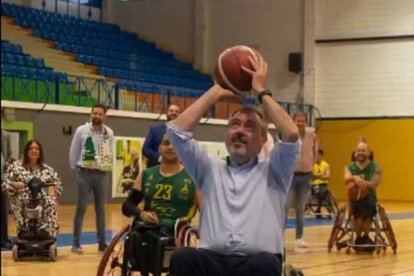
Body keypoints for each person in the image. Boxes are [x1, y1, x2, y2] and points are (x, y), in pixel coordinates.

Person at [166, 54, 300, 276]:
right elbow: (176, 131)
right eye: (235, 124)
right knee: (183, 257)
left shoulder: (274, 171)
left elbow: (292, 133)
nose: (240, 130)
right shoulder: (209, 169)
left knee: (265, 264)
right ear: (227, 135)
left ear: (262, 139)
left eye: (249, 127)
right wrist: (217, 90)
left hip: (256, 265)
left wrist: (260, 90)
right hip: (214, 262)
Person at [121, 134, 200, 275]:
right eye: (166, 143)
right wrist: (141, 214)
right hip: (147, 224)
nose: (170, 147)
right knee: (133, 237)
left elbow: (205, 210)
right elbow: (127, 206)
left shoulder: (192, 177)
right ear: (159, 148)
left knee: (157, 240)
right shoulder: (146, 175)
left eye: (175, 144)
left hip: (175, 227)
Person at [69, 104, 114, 253]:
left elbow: (110, 152)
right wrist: (76, 168)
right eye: (95, 113)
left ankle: (102, 243)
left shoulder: (109, 133)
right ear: (91, 114)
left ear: (104, 116)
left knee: (101, 209)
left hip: (101, 174)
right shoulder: (81, 130)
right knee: (81, 208)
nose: (97, 116)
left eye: (100, 114)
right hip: (84, 173)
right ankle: (75, 243)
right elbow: (74, 150)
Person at [1, 140, 62, 240]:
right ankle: (25, 230)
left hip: (41, 198)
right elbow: (5, 184)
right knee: (24, 200)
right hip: (22, 197)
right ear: (26, 151)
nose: (34, 150)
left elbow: (58, 184)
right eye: (31, 148)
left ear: (40, 152)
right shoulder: (16, 168)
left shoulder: (47, 170)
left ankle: (45, 230)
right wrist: (14, 185)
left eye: (37, 149)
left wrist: (53, 189)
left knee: (50, 201)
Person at [285, 111, 318, 249]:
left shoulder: (312, 137)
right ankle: (279, 236)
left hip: (306, 176)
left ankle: (299, 237)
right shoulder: (290, 136)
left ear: (306, 122)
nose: (300, 123)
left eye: (302, 121)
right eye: (298, 121)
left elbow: (315, 152)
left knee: (300, 207)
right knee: (285, 206)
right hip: (292, 176)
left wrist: (312, 165)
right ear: (293, 122)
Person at [344, 141, 381, 248]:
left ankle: (365, 236)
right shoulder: (349, 167)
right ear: (355, 153)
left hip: (369, 196)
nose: (360, 153)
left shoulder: (375, 167)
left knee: (368, 212)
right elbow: (346, 177)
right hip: (355, 198)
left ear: (368, 153)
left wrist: (363, 184)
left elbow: (374, 183)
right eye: (358, 150)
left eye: (363, 151)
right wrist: (355, 178)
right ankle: (359, 237)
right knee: (358, 214)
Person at [1, 108, 13, 249]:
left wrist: (9, 162)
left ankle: (3, 239)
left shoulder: (6, 135)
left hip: (2, 177)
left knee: (3, 210)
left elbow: (9, 154)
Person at [311, 149, 330, 218]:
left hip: (323, 185)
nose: (316, 156)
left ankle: (318, 209)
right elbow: (311, 176)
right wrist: (321, 175)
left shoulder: (326, 165)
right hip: (314, 185)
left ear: (321, 155)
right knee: (316, 189)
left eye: (318, 155)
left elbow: (327, 176)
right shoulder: (312, 165)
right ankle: (317, 209)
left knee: (321, 191)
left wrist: (317, 176)